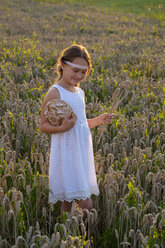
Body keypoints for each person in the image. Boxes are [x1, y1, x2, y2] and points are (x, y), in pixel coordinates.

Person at [40, 44, 113, 215]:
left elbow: (80, 124)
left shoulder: (79, 92)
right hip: (67, 154)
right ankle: (79, 237)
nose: (79, 76)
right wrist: (63, 127)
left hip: (81, 152)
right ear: (63, 65)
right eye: (75, 70)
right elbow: (43, 125)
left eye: (84, 72)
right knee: (85, 205)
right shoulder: (55, 92)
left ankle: (66, 237)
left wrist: (98, 120)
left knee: (68, 201)